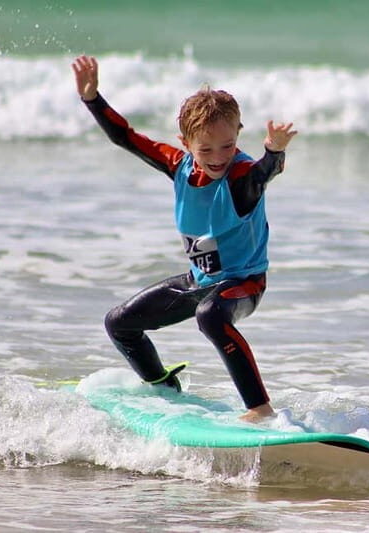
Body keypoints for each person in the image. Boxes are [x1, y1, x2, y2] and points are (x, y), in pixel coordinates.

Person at [71, 55, 297, 422]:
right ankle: (162, 388)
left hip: (243, 283)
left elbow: (262, 174)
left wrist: (274, 152)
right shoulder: (179, 165)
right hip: (200, 280)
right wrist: (92, 98)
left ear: (238, 133)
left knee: (210, 316)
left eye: (227, 145)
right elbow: (126, 137)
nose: (218, 157)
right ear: (185, 143)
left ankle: (260, 408)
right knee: (120, 324)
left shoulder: (240, 177)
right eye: (205, 149)